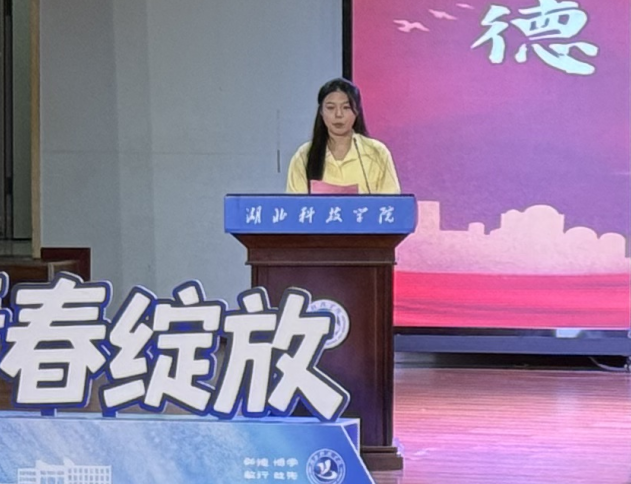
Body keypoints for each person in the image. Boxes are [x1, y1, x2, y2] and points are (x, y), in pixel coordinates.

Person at [286, 78, 401, 194]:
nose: (338, 114)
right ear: (321, 112)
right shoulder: (304, 156)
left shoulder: (377, 153)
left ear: (357, 111)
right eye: (330, 108)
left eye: (346, 107)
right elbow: (295, 203)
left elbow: (391, 202)